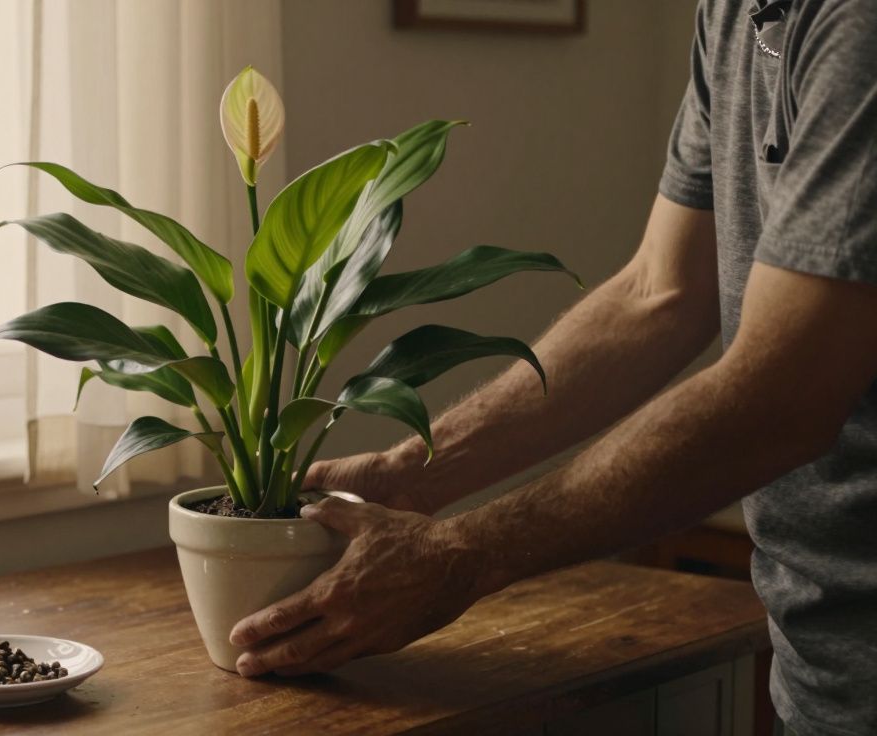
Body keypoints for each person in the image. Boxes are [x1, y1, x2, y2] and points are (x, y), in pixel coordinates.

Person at [229, 2, 877, 733]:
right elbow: (657, 293)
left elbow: (784, 393)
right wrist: (410, 473)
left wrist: (460, 554)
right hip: (819, 663)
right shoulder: (732, 12)